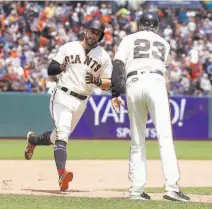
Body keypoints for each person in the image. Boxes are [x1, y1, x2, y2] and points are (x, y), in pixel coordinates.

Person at [24, 19, 112, 192]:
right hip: (62, 95)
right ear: (85, 30)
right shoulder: (69, 47)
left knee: (57, 137)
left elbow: (108, 83)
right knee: (63, 135)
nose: (94, 34)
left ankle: (33, 139)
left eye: (97, 32)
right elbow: (51, 69)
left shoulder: (103, 56)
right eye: (92, 31)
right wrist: (60, 67)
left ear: (100, 36)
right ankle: (62, 174)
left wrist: (98, 81)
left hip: (82, 101)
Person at [111, 12, 190, 202]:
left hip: (134, 83)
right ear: (155, 25)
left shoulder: (128, 38)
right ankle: (172, 188)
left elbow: (118, 65)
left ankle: (136, 191)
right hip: (155, 81)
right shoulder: (164, 43)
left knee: (137, 140)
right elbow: (162, 65)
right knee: (165, 138)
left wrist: (115, 93)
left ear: (140, 24)